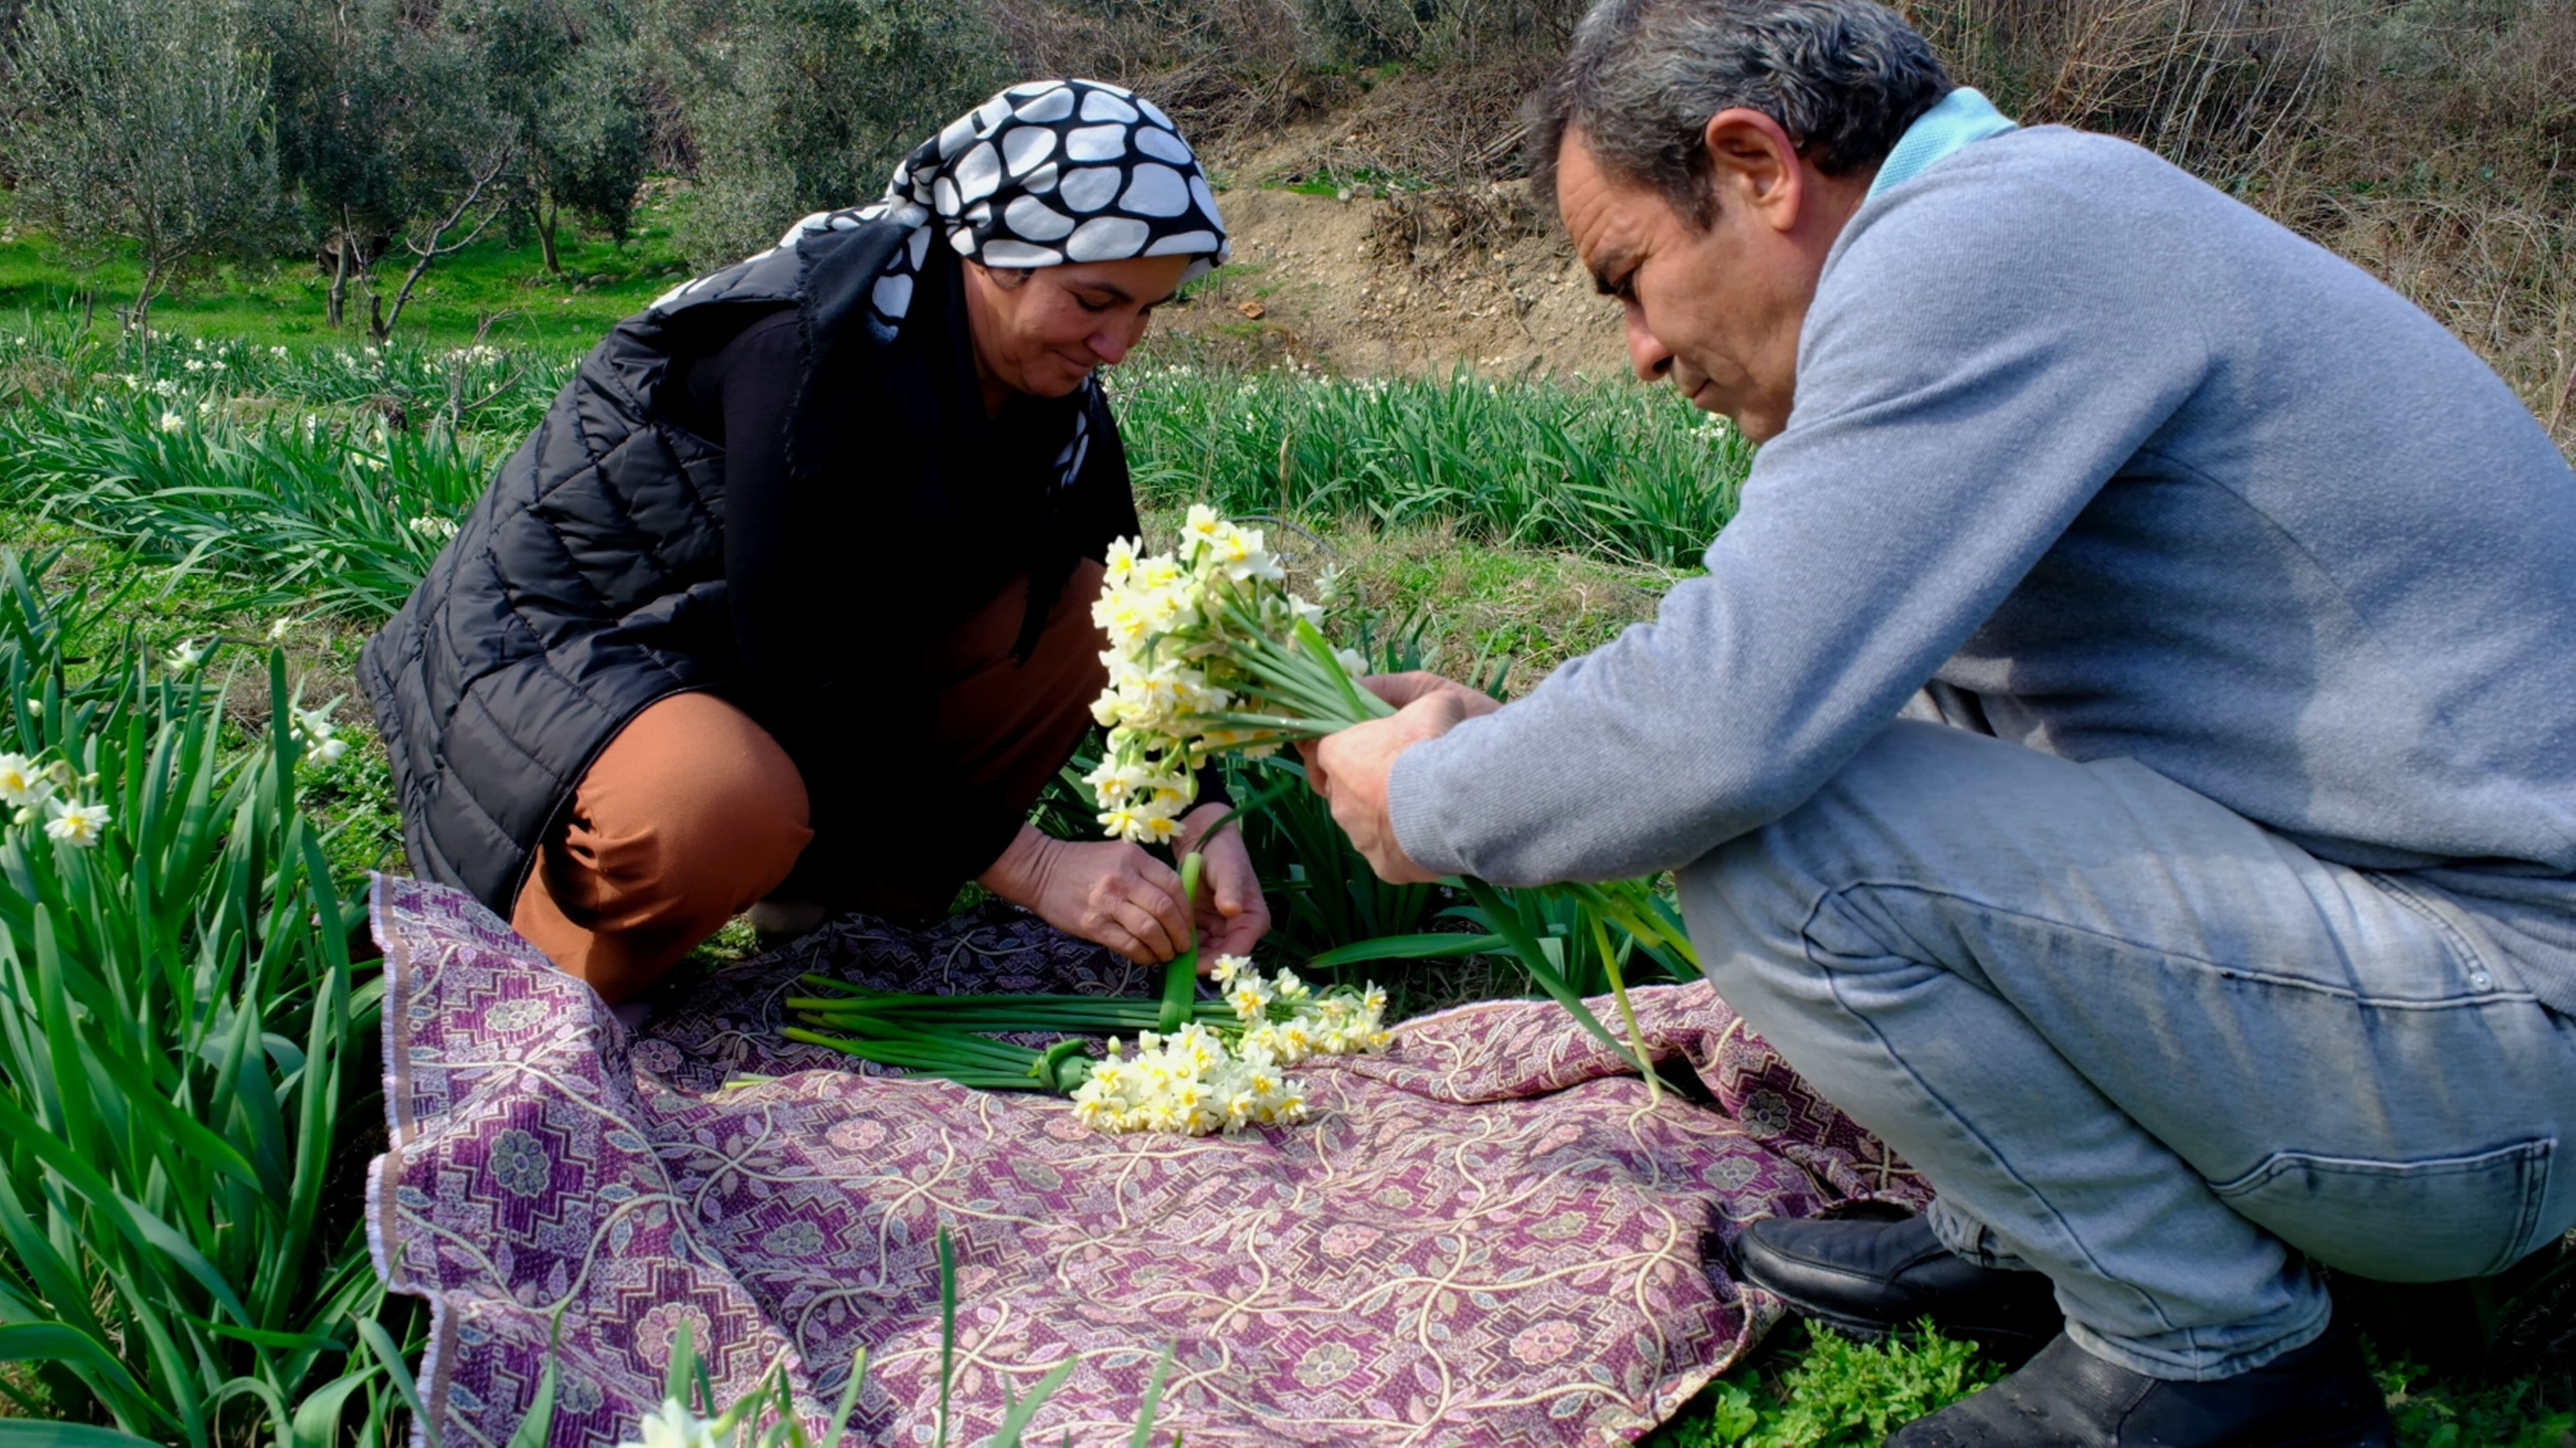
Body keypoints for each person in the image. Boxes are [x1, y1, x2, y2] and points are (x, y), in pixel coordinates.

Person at [1301, 2, 2576, 1443]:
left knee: (1783, 839)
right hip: (2442, 1021)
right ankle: (2040, 1229)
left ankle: (2210, 1350)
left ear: (1755, 166)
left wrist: (1429, 799)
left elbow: (1728, 724)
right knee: (1868, 717)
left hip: (2493, 1070)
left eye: (1629, 276)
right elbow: (1803, 662)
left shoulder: (1994, 242)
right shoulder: (2028, 217)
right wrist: (1509, 739)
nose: (1641, 351)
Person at [363, 80, 1269, 1004]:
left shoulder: (1053, 397)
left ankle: (840, 917)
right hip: (572, 651)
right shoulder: (804, 342)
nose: (1118, 345)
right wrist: (1032, 865)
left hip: (756, 665)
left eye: (1146, 311)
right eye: (1094, 300)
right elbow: (795, 664)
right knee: (717, 804)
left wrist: (1202, 817)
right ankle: (553, 972)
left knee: (1089, 615)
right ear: (996, 252)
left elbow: (1133, 613)